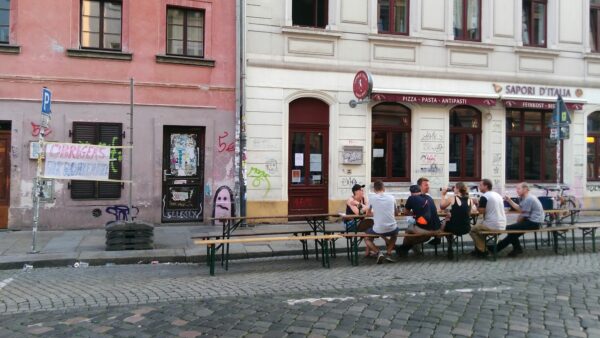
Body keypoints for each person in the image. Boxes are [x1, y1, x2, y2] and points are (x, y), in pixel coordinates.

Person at [495, 182, 545, 257]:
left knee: (509, 229)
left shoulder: (529, 199)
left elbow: (523, 215)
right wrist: (509, 201)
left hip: (535, 223)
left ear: (525, 189)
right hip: (530, 221)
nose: (517, 190)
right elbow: (520, 208)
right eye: (516, 189)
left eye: (518, 189)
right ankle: (513, 249)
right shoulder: (523, 198)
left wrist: (516, 225)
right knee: (512, 233)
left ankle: (497, 248)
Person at [396, 177, 441, 256]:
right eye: (426, 185)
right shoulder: (429, 198)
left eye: (428, 185)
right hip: (437, 229)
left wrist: (413, 213)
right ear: (419, 187)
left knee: (408, 230)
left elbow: (406, 212)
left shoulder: (412, 198)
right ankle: (413, 250)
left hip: (427, 231)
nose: (428, 187)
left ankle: (404, 249)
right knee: (416, 227)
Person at [469, 179, 507, 257]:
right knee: (479, 228)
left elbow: (481, 212)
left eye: (480, 185)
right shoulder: (497, 195)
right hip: (503, 224)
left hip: (492, 225)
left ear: (486, 186)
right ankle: (480, 249)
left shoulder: (485, 196)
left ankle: (483, 250)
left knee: (471, 230)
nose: (479, 187)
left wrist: (476, 204)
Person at [365, 180, 399, 264]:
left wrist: (376, 212)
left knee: (366, 237)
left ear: (374, 189)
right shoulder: (392, 197)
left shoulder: (372, 198)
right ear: (384, 188)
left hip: (378, 229)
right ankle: (389, 253)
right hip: (392, 228)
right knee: (395, 234)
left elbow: (368, 213)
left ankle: (378, 252)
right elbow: (396, 213)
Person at [439, 182, 473, 260]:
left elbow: (442, 207)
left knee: (445, 223)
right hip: (466, 228)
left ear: (457, 189)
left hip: (454, 228)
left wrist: (443, 195)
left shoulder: (453, 198)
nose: (453, 189)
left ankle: (449, 245)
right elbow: (467, 214)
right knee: (449, 222)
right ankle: (448, 244)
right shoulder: (470, 200)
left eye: (454, 187)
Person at [344, 184, 374, 257]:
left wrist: (358, 204)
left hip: (361, 223)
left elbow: (370, 212)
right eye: (361, 190)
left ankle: (368, 252)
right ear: (356, 192)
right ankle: (373, 251)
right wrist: (366, 207)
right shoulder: (350, 200)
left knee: (372, 228)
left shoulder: (364, 198)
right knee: (372, 226)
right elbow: (358, 213)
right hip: (350, 224)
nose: (363, 191)